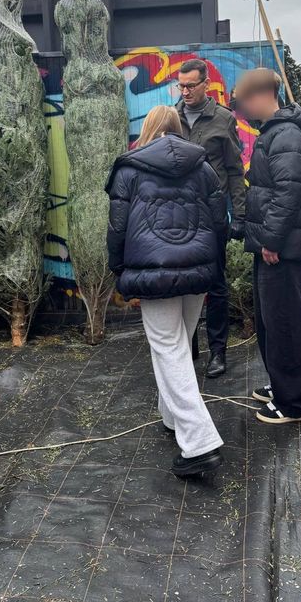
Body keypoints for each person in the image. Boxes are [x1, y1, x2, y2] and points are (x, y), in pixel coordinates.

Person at [106, 104, 228, 476]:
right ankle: (172, 417)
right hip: (197, 271)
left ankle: (199, 442)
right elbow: (219, 221)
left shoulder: (129, 169)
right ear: (177, 128)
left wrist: (118, 269)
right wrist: (214, 265)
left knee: (169, 349)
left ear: (148, 129)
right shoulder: (203, 167)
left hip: (152, 273)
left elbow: (117, 228)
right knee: (179, 345)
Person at [234, 68, 301, 425]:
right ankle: (281, 385)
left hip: (281, 248)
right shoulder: (276, 133)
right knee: (272, 320)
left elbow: (289, 192)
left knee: (285, 322)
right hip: (274, 245)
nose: (244, 111)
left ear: (263, 95)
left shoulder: (287, 136)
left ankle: (295, 403)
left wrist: (271, 240)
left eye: (244, 103)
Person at [175, 58, 246, 378]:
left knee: (216, 285)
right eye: (181, 85)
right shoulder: (171, 118)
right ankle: (189, 348)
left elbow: (234, 170)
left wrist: (240, 214)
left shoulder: (222, 119)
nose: (185, 91)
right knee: (184, 284)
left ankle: (219, 352)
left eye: (191, 85)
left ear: (206, 85)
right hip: (179, 216)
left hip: (213, 214)